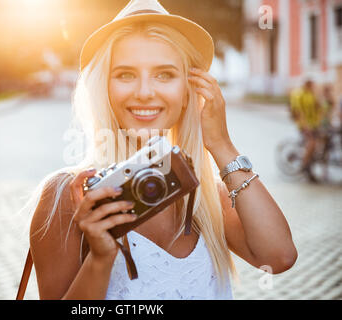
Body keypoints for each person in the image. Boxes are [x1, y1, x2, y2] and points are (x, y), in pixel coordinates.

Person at [25, 0, 297, 300]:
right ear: (104, 87)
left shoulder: (208, 198)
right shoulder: (68, 197)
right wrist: (101, 259)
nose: (144, 93)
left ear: (188, 91)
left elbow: (279, 257)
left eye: (164, 74)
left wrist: (221, 145)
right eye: (126, 75)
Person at [289, 80, 322, 181]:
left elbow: (317, 109)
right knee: (312, 143)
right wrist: (304, 125)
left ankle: (310, 165)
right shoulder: (299, 94)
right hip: (304, 125)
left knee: (319, 143)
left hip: (313, 125)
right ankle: (304, 165)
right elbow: (297, 111)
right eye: (312, 85)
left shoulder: (311, 94)